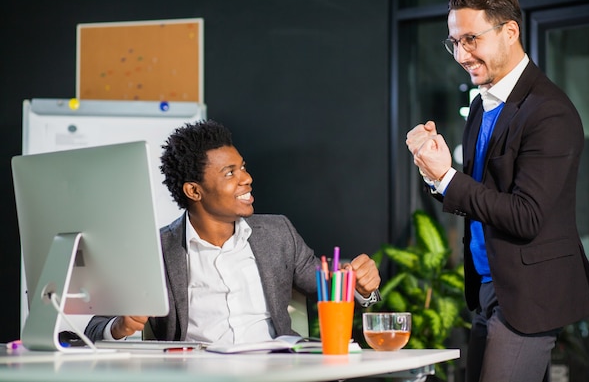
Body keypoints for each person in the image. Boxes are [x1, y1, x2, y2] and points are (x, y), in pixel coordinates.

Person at [405, 0, 589, 382]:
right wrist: (435, 171)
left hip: (528, 293)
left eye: (471, 40)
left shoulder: (550, 113)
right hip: (486, 286)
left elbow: (526, 215)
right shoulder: (481, 105)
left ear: (510, 32)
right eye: (454, 43)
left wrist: (445, 178)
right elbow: (481, 194)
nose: (461, 55)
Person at [85, 119, 381, 344]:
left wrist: (361, 286)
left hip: (278, 371)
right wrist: (119, 327)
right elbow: (93, 327)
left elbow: (330, 286)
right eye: (230, 173)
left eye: (243, 167)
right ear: (194, 190)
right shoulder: (157, 249)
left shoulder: (278, 234)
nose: (247, 178)